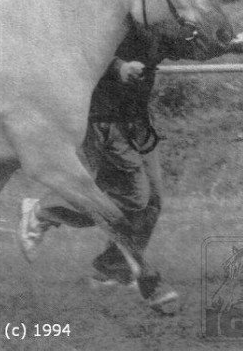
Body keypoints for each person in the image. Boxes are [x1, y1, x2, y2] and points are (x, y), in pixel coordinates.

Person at [18, 16, 180, 312]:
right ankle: (44, 211)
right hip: (107, 117)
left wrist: (227, 42)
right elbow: (81, 44)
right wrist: (119, 67)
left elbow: (182, 40)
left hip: (138, 118)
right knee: (126, 199)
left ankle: (112, 269)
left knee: (152, 201)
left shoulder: (159, 6)